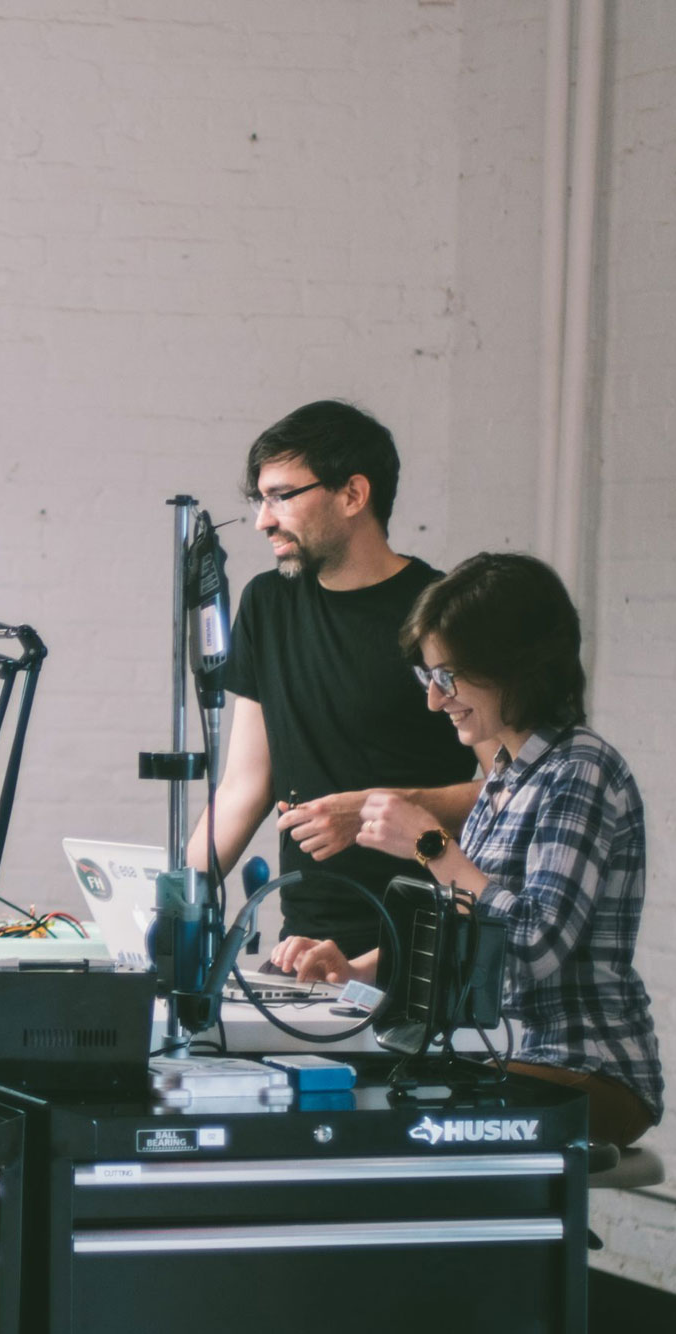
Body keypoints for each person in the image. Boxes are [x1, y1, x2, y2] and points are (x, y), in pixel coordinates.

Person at [282, 553, 664, 1146]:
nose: (436, 700)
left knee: (393, 1134)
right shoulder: (507, 773)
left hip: (585, 1066)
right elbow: (463, 930)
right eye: (428, 677)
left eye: (449, 676)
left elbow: (533, 947)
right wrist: (355, 970)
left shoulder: (580, 771)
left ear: (516, 667)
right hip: (508, 1058)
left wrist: (431, 845)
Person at [188, 400, 485, 961]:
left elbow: (507, 797)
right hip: (303, 950)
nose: (263, 520)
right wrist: (174, 906)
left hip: (419, 953)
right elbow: (244, 786)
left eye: (281, 496)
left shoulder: (442, 615)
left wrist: (374, 808)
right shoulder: (266, 604)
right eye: (259, 499)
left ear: (352, 495)